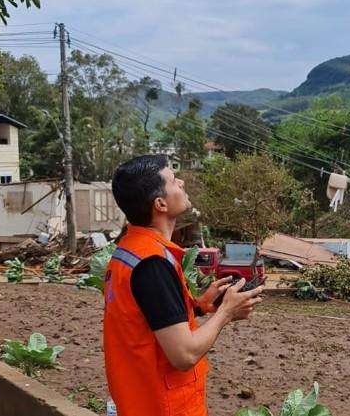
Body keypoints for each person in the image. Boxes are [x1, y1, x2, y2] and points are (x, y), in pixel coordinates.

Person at [104, 155, 264, 416]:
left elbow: (143, 319)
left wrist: (199, 307)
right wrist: (226, 312)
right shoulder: (152, 264)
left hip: (138, 401)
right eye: (173, 180)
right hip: (164, 407)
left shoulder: (130, 251)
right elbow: (184, 355)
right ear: (160, 204)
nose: (182, 181)